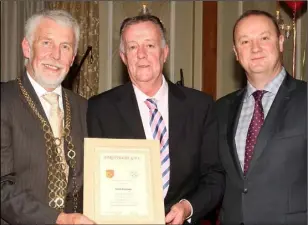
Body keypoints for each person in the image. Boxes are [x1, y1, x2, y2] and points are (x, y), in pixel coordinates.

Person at [87, 14, 225, 225]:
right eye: (132, 47)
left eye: (150, 45)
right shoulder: (100, 109)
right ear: (124, 57)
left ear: (164, 52)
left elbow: (214, 177)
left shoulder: (200, 106)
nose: (141, 55)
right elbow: (94, 181)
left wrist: (188, 207)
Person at [1, 10, 94, 224]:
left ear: (73, 57)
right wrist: (59, 219)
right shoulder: (4, 101)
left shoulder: (85, 107)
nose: (55, 55)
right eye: (46, 43)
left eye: (65, 47)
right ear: (27, 47)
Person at [215, 10, 307, 225]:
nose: (255, 48)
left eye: (264, 38)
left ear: (281, 42)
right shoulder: (220, 109)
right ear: (236, 52)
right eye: (245, 41)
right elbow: (213, 175)